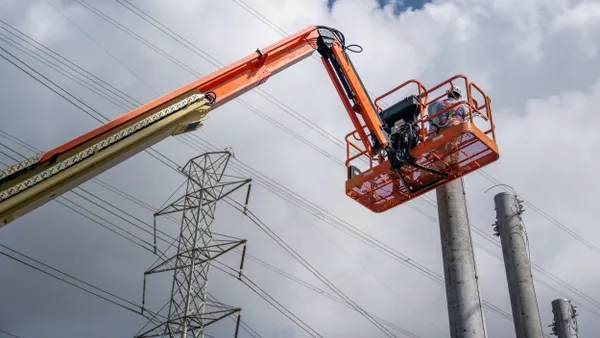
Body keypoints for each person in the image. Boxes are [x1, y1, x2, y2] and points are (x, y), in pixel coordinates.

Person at [426, 86, 470, 172]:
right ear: (458, 96)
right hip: (456, 126)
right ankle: (453, 164)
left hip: (443, 129)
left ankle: (439, 169)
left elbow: (433, 122)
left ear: (448, 93)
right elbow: (467, 119)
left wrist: (430, 138)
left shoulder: (439, 104)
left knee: (440, 150)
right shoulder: (463, 105)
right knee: (454, 146)